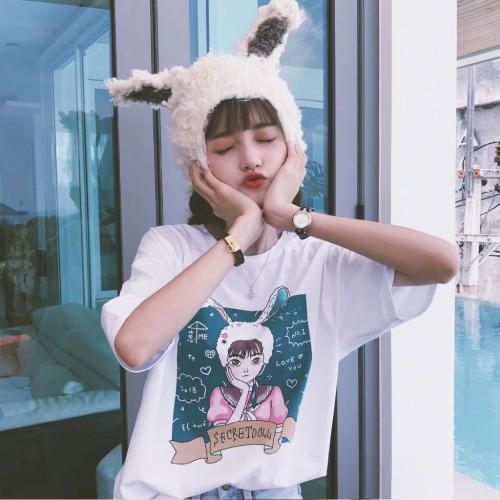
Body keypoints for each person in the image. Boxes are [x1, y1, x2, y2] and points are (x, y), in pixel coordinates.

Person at [101, 1, 459, 499]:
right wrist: (240, 233)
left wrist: (293, 217)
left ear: (292, 148)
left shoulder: (318, 261)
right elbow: (135, 346)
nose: (251, 158)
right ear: (198, 166)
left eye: (267, 138)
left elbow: (442, 263)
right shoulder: (170, 248)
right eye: (224, 148)